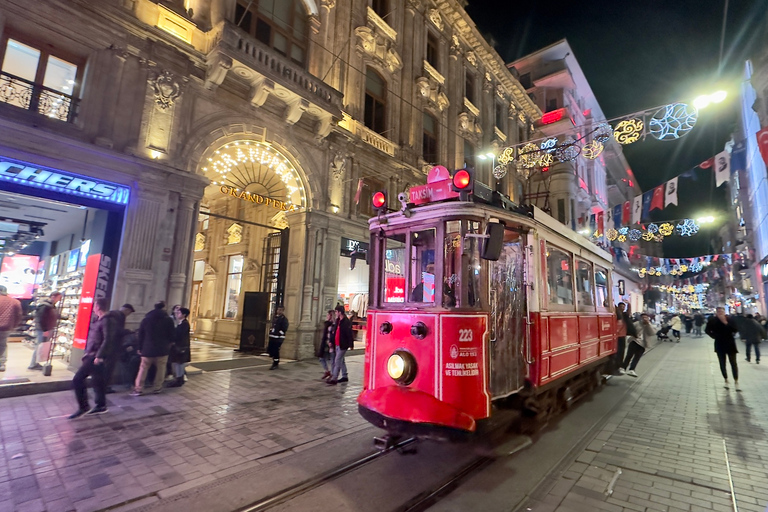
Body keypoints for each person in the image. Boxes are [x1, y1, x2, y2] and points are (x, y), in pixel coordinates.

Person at [69, 298, 120, 418]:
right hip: (92, 354)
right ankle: (101, 405)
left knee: (78, 379)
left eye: (95, 306)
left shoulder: (107, 321)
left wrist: (99, 355)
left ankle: (84, 406)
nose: (94, 308)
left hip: (95, 356)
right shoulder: (99, 320)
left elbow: (108, 339)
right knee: (98, 381)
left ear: (98, 307)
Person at [131, 301, 175, 396]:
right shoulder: (168, 320)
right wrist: (169, 344)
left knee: (143, 368)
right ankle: (157, 387)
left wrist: (140, 347)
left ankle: (138, 388)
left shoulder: (146, 319)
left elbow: (141, 335)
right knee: (161, 369)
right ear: (164, 307)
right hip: (163, 349)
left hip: (147, 348)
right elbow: (172, 335)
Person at [705, 307, 740, 390]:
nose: (720, 313)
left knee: (733, 363)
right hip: (719, 343)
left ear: (724, 312)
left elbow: (735, 329)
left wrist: (725, 323)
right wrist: (714, 336)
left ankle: (736, 381)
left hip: (730, 343)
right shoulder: (713, 320)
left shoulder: (730, 320)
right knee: (722, 363)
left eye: (722, 311)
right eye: (719, 311)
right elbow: (707, 330)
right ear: (716, 312)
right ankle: (726, 380)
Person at [104, 303, 135, 392]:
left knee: (106, 366)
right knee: (109, 367)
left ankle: (101, 386)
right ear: (127, 310)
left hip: (107, 344)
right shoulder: (120, 316)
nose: (128, 315)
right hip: (113, 345)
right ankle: (105, 387)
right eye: (129, 313)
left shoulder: (111, 314)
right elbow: (117, 330)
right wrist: (128, 331)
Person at [29, 291, 62, 370]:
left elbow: (54, 315)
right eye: (59, 298)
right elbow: (41, 318)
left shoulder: (51, 306)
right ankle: (33, 364)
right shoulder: (45, 306)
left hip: (46, 329)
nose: (59, 300)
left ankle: (36, 363)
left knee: (41, 346)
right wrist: (45, 330)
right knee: (39, 346)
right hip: (43, 330)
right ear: (53, 297)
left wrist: (64, 317)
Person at [619, 313, 655, 377]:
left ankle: (632, 369)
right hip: (634, 341)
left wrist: (648, 324)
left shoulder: (649, 325)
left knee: (637, 357)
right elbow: (630, 329)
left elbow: (652, 333)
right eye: (643, 317)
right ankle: (623, 368)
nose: (644, 319)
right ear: (640, 318)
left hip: (643, 344)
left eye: (646, 317)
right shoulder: (637, 323)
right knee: (629, 355)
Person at [327, 305, 354, 385]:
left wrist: (351, 344)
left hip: (343, 344)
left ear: (340, 312)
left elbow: (349, 334)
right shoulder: (338, 321)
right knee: (341, 360)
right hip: (337, 343)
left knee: (337, 360)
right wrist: (331, 341)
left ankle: (334, 378)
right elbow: (334, 332)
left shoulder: (346, 322)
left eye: (336, 311)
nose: (335, 313)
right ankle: (345, 376)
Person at [0, 285, 22, 372]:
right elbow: (19, 315)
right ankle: (1, 364)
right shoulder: (15, 302)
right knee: (3, 345)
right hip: (6, 327)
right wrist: (14, 326)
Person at [167, 307, 191, 387]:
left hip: (181, 347)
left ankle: (179, 379)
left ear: (184, 315)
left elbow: (179, 335)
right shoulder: (181, 323)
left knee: (180, 363)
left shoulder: (184, 324)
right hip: (179, 346)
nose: (177, 314)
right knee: (178, 363)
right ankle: (179, 378)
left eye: (179, 313)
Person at [615, 302, 637, 374]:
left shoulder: (625, 315)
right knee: (616, 351)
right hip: (615, 336)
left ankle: (619, 365)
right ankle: (616, 364)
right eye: (621, 306)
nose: (622, 308)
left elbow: (628, 311)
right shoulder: (615, 315)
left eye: (623, 307)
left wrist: (629, 304)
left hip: (622, 335)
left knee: (621, 351)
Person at [268, 305, 288, 370]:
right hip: (272, 336)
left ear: (282, 311)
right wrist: (271, 331)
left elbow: (284, 328)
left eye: (280, 310)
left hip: (279, 337)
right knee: (271, 349)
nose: (279, 311)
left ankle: (275, 363)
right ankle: (273, 358)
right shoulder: (275, 317)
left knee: (276, 350)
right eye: (278, 310)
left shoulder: (284, 319)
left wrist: (279, 333)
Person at [317, 310, 334, 380]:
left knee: (329, 359)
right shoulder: (327, 324)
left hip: (329, 344)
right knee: (322, 358)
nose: (327, 316)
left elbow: (330, 335)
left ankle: (331, 372)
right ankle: (327, 371)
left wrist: (329, 342)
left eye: (328, 315)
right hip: (325, 343)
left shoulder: (333, 325)